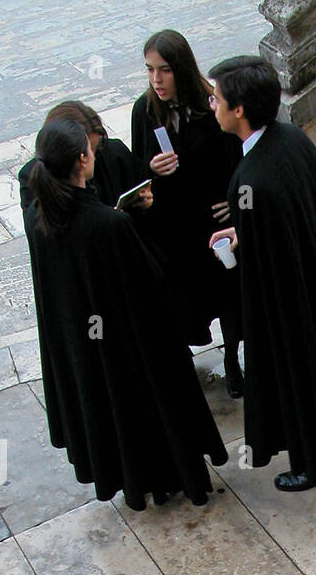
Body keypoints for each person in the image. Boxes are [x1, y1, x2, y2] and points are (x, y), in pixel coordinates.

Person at [24, 116, 228, 510]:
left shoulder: (37, 217)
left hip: (84, 345)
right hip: (130, 345)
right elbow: (148, 281)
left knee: (114, 415)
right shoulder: (108, 224)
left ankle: (136, 482)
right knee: (149, 412)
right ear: (83, 159)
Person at [208, 57, 316, 493]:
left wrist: (238, 247)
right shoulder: (289, 140)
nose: (212, 105)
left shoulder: (253, 177)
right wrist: (245, 232)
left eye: (217, 98)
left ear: (240, 110)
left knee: (301, 377)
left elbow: (270, 246)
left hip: (290, 304)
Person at [131, 30, 243, 397]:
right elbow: (137, 171)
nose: (156, 80)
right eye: (150, 70)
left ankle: (232, 359)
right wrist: (152, 170)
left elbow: (235, 154)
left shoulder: (211, 107)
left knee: (226, 292)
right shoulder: (144, 110)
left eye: (163, 70)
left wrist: (232, 200)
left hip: (209, 219)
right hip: (170, 222)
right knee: (176, 294)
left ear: (180, 68)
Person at [19, 101, 152, 215]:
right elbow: (42, 235)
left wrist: (144, 204)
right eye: (86, 151)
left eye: (95, 149)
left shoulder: (114, 152)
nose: (91, 158)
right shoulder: (32, 176)